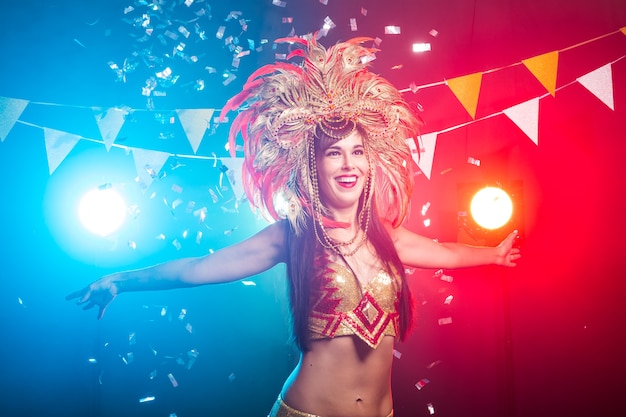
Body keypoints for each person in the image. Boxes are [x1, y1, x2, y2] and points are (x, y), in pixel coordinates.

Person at [67, 36, 521, 417]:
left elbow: (446, 251)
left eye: (358, 152)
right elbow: (198, 268)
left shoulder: (388, 238)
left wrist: (494, 254)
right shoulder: (294, 235)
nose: (348, 164)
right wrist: (121, 280)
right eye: (334, 152)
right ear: (313, 164)